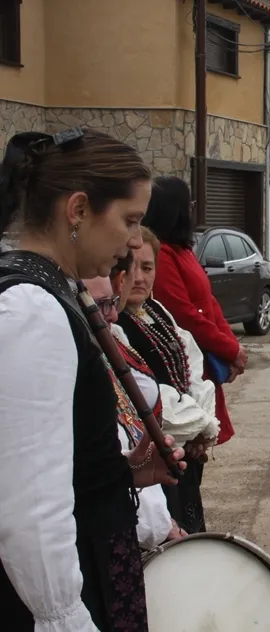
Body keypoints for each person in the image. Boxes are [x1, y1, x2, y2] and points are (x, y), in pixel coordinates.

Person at [0, 128, 184, 631]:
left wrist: (121, 473)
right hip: (62, 591)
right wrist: (64, 619)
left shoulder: (51, 291)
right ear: (78, 210)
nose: (132, 243)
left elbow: (49, 465)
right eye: (129, 220)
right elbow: (31, 512)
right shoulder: (32, 308)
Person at [118, 226, 221, 534]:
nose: (138, 277)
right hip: (154, 453)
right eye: (131, 267)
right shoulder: (115, 325)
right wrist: (198, 427)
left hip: (186, 449)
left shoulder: (156, 311)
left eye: (147, 268)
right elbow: (147, 396)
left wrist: (203, 429)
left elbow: (192, 367)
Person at [84, 267, 187, 549]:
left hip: (139, 528)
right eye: (101, 304)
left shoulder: (108, 344)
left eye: (113, 302)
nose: (113, 313)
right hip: (106, 541)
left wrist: (162, 520)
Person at [142, 175, 245, 446]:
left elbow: (209, 302)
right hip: (185, 369)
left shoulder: (182, 251)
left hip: (203, 365)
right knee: (190, 445)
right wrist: (230, 349)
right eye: (190, 204)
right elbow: (185, 315)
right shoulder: (162, 254)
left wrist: (231, 346)